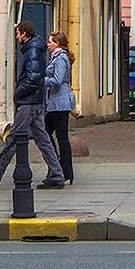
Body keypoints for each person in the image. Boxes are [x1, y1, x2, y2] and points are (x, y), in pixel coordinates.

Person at [0, 21, 66, 190]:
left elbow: (32, 78)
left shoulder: (31, 51)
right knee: (43, 139)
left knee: (14, 138)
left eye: (18, 34)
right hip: (36, 101)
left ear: (24, 34)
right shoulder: (35, 49)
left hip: (29, 102)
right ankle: (56, 174)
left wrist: (18, 92)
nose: (17, 37)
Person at [44, 32, 76, 186]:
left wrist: (40, 80)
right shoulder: (57, 57)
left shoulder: (61, 58)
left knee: (59, 136)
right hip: (55, 102)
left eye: (50, 42)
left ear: (57, 43)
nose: (48, 44)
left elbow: (57, 80)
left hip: (60, 102)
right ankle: (61, 168)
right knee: (49, 133)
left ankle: (63, 169)